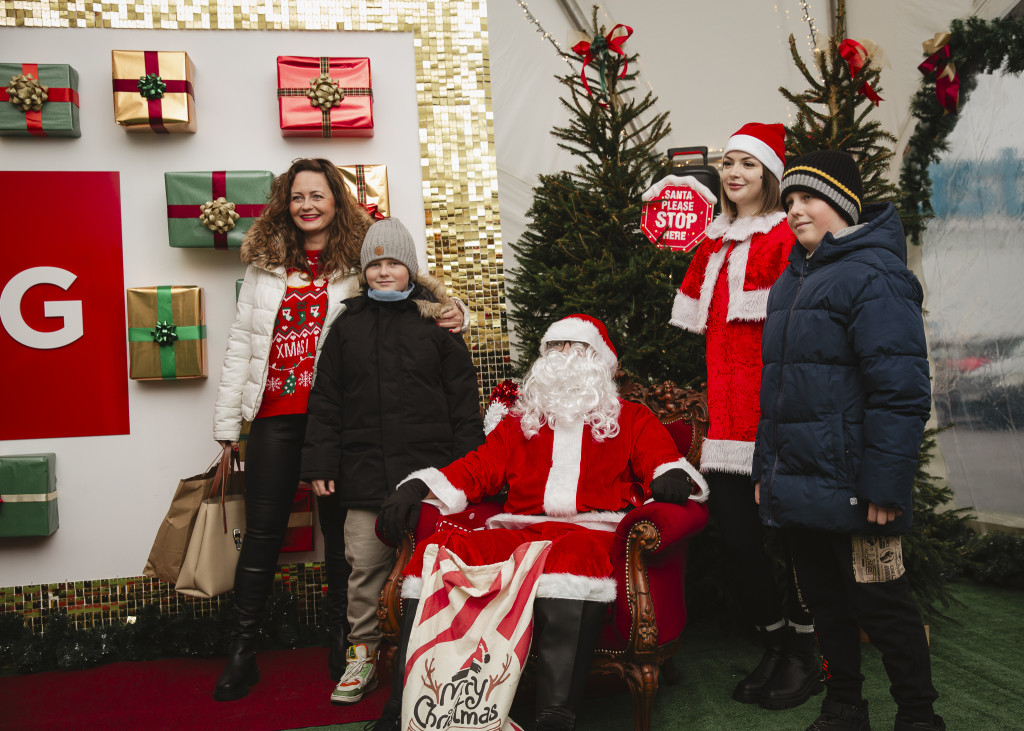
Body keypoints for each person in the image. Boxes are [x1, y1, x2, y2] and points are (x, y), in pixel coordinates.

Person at [369, 314, 709, 731]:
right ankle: (405, 706)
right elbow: (478, 469)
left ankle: (555, 717)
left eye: (576, 348)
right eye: (556, 348)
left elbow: (661, 459)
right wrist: (418, 487)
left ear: (599, 360)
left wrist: (669, 476)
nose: (564, 356)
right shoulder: (520, 423)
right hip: (520, 529)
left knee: (575, 559)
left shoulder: (631, 417)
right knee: (439, 553)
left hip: (591, 531)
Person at [211, 158, 467, 701]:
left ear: (336, 202)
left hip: (345, 422)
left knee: (343, 543)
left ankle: (344, 644)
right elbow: (241, 342)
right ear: (286, 202)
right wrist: (229, 422)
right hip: (276, 416)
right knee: (261, 535)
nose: (307, 205)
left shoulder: (359, 258)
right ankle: (241, 650)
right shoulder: (263, 264)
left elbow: (415, 287)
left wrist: (456, 312)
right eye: (297, 196)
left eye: (318, 195)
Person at [754, 150, 943, 731]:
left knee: (883, 607)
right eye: (787, 201)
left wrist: (885, 484)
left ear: (841, 203)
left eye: (807, 197)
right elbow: (777, 394)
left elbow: (900, 391)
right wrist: (768, 471)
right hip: (801, 484)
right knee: (825, 604)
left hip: (859, 490)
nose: (794, 210)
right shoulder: (790, 282)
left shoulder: (875, 275)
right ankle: (843, 707)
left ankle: (917, 715)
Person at [643, 122, 819, 709]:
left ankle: (806, 649)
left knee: (795, 541)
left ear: (769, 174)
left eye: (748, 163)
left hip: (779, 416)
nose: (734, 172)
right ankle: (774, 640)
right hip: (727, 423)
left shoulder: (785, 237)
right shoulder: (714, 242)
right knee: (741, 540)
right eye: (727, 163)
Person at [299, 217, 485, 706]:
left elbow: (464, 401)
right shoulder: (345, 327)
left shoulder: (437, 324)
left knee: (438, 567)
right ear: (364, 271)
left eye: (394, 264)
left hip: (430, 477)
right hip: (363, 477)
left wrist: (467, 471)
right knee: (363, 565)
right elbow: (326, 402)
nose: (384, 272)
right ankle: (362, 655)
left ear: (410, 270)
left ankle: (441, 657)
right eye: (375, 264)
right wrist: (321, 461)